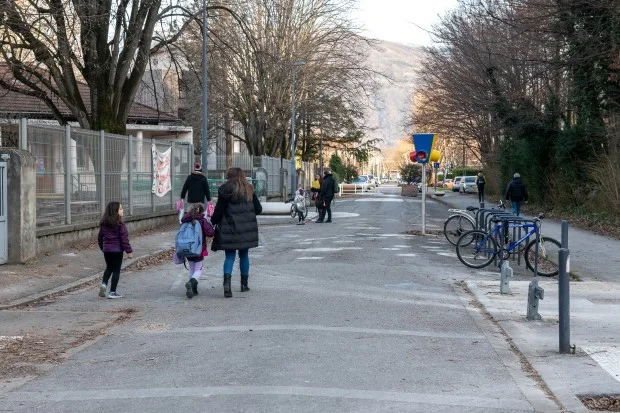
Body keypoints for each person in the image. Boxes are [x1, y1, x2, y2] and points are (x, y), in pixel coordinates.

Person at [210, 167, 263, 297]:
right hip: (246, 230)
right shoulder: (249, 189)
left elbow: (219, 211)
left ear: (228, 176)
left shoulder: (224, 189)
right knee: (244, 255)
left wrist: (212, 222)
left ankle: (227, 285)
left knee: (230, 257)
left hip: (229, 229)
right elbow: (258, 209)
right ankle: (244, 285)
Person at [98, 202, 133, 299]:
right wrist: (129, 251)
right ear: (115, 211)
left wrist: (103, 248)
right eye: (120, 209)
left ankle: (104, 284)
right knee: (116, 271)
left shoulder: (104, 224)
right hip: (117, 251)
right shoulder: (120, 225)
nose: (122, 210)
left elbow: (100, 238)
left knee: (109, 268)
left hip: (107, 250)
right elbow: (124, 239)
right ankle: (112, 292)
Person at [180, 203, 215, 299]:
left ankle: (194, 290)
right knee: (198, 269)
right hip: (198, 249)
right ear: (201, 211)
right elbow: (210, 233)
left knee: (191, 268)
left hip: (187, 248)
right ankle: (191, 283)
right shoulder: (202, 221)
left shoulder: (185, 220)